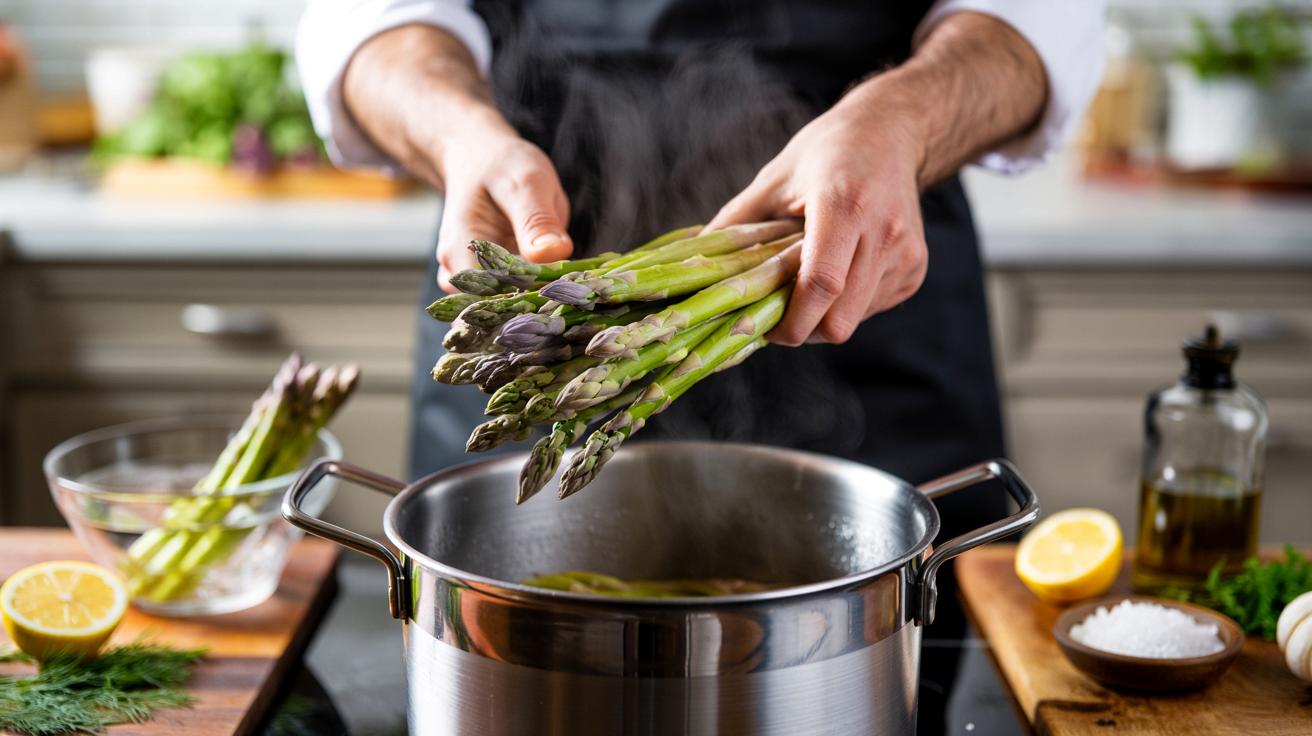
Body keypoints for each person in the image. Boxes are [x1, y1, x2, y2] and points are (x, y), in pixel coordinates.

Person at [298, 1, 1104, 732]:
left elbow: (1032, 25)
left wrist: (907, 115)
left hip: (870, 260)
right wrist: (458, 133)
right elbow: (373, 24)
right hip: (536, 310)